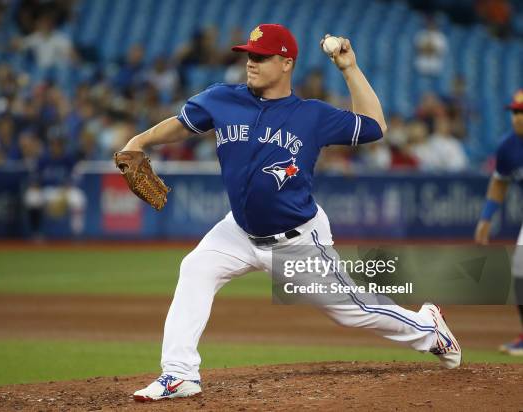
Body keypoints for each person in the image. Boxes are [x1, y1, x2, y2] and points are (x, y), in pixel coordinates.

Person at [122, 24, 461, 402]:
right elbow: (182, 126)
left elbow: (375, 127)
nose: (251, 63)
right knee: (195, 268)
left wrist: (349, 68)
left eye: (261, 57)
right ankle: (179, 374)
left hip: (297, 241)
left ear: (286, 63)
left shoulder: (310, 115)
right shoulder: (221, 98)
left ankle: (429, 328)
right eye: (249, 55)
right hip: (237, 230)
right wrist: (141, 140)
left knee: (353, 311)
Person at [474, 89, 523, 356]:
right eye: (514, 112)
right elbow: (500, 182)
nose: (516, 117)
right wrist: (486, 217)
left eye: (521, 112)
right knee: (519, 271)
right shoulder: (508, 146)